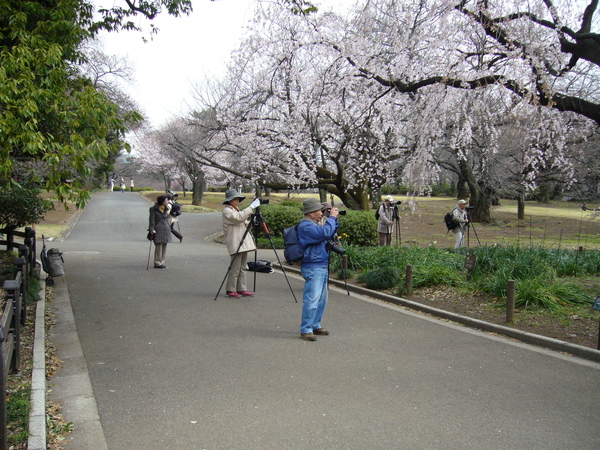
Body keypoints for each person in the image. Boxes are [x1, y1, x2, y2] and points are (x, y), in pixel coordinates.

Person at [297, 198, 339, 341]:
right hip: (313, 266)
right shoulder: (306, 226)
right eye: (319, 211)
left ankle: (315, 325)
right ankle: (306, 329)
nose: (322, 214)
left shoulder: (314, 224)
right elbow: (325, 233)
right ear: (310, 213)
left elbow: (330, 231)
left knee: (322, 300)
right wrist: (332, 217)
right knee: (312, 299)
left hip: (320, 264)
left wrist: (334, 221)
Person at [222, 189, 261, 298]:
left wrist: (253, 222)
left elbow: (243, 223)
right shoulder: (227, 211)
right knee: (235, 266)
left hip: (242, 241)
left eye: (238, 198)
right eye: (235, 198)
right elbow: (238, 219)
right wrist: (251, 207)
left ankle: (241, 288)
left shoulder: (236, 209)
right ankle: (230, 289)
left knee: (243, 266)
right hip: (235, 241)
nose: (237, 200)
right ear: (229, 200)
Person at [148, 194, 172, 269]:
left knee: (164, 246)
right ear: (162, 201)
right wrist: (151, 229)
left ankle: (162, 262)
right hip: (158, 229)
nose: (167, 201)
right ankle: (157, 262)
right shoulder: (153, 209)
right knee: (158, 246)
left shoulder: (167, 208)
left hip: (165, 228)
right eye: (166, 200)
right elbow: (152, 220)